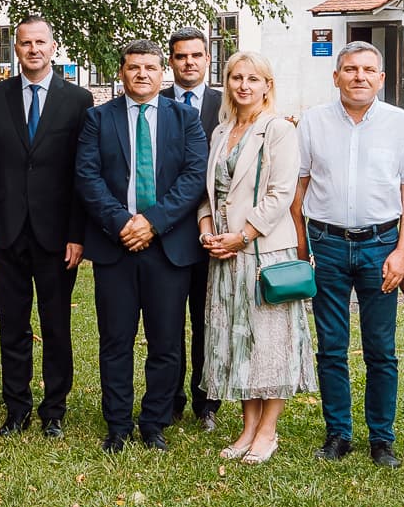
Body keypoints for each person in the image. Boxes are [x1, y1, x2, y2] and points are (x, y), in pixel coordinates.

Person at [291, 41, 404, 467]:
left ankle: (381, 438)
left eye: (368, 70)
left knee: (381, 348)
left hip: (381, 246)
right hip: (327, 246)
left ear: (381, 78)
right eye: (350, 69)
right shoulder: (313, 122)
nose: (359, 77)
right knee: (331, 346)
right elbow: (298, 186)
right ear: (336, 77)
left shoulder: (400, 124)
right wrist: (301, 243)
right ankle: (337, 434)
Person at [76, 41, 207, 452]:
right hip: (116, 246)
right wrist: (122, 223)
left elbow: (194, 177)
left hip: (168, 247)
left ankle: (154, 423)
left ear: (162, 72)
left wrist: (152, 222)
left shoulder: (186, 119)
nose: (142, 75)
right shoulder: (98, 118)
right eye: (134, 68)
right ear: (122, 72)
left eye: (150, 67)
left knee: (166, 342)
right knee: (115, 340)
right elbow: (87, 176)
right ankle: (117, 423)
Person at [0, 16, 87, 439]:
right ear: (15, 49)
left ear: (53, 47)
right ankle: (15, 407)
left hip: (58, 237)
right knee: (12, 324)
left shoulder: (77, 100)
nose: (33, 49)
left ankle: (53, 409)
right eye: (25, 43)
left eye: (40, 42)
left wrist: (78, 233)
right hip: (6, 232)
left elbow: (82, 173)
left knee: (56, 325)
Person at [198, 53, 312, 464]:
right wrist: (207, 229)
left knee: (270, 341)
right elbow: (207, 192)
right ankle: (247, 429)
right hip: (224, 253)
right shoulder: (221, 131)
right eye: (235, 78)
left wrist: (241, 236)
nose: (243, 85)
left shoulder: (278, 130)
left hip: (263, 250)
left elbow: (281, 194)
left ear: (267, 85)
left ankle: (268, 432)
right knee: (240, 341)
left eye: (253, 78)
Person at [167, 27, 224, 432]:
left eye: (196, 56)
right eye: (181, 56)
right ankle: (170, 399)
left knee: (208, 321)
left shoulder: (226, 103)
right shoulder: (154, 100)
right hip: (168, 229)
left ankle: (207, 403)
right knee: (167, 323)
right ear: (171, 61)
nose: (189, 62)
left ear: (208, 60)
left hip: (216, 232)